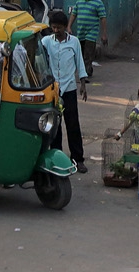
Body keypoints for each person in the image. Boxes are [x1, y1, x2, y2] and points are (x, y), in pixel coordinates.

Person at [43, 9, 88, 173]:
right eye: (53, 28)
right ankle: (57, 157)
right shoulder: (47, 41)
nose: (56, 31)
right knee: (55, 125)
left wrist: (83, 83)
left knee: (73, 124)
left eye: (59, 28)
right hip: (53, 90)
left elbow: (79, 62)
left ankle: (78, 159)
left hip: (69, 88)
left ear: (64, 27)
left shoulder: (74, 41)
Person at [69, 0, 108, 91]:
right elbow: (74, 14)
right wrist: (69, 26)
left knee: (88, 53)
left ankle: (84, 75)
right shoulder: (79, 1)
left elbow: (103, 18)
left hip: (91, 33)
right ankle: (88, 69)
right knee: (80, 53)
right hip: (80, 32)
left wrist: (104, 34)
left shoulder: (98, 3)